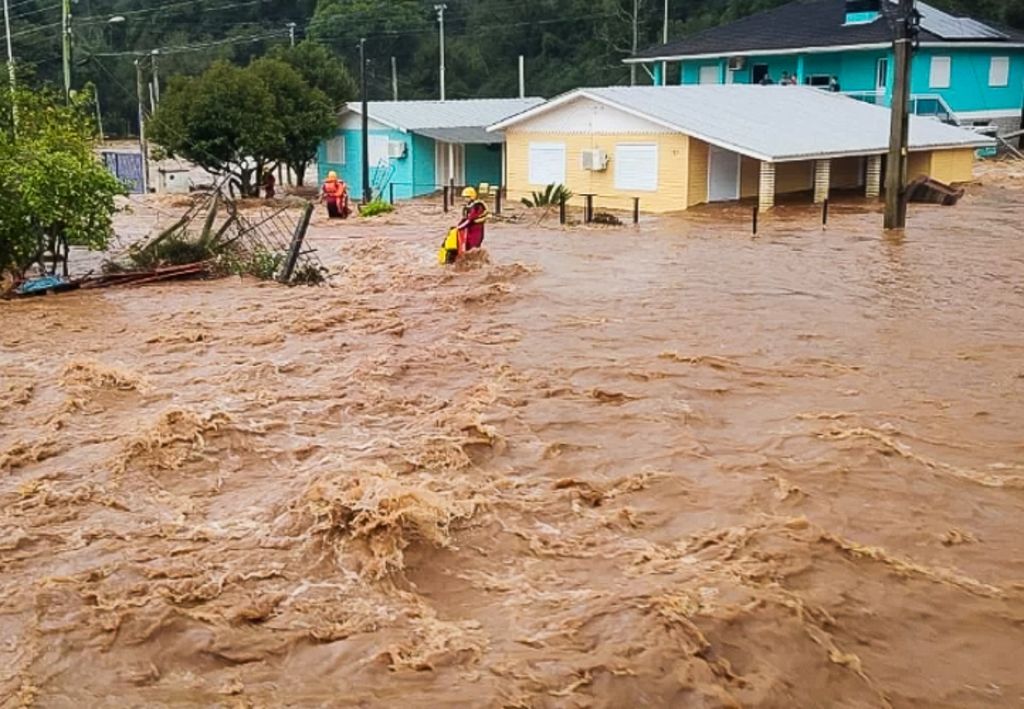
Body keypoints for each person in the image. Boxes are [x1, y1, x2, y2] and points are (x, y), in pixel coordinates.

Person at [457, 186, 489, 254]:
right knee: (468, 248)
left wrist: (459, 227)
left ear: (472, 196)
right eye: (464, 197)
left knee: (474, 248)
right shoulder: (468, 206)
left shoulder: (477, 206)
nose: (465, 199)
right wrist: (457, 226)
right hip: (469, 230)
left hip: (476, 231)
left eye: (467, 197)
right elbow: (465, 218)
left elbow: (470, 219)